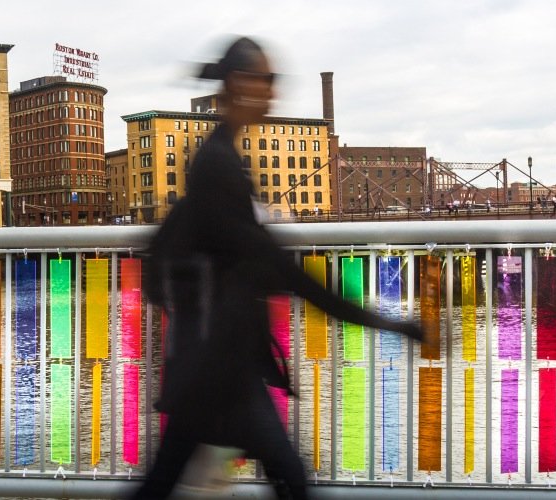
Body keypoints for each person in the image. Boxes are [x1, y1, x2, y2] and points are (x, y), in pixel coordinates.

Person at [136, 37, 424, 500]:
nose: (272, 91)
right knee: (288, 479)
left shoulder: (220, 158)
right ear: (239, 83)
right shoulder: (217, 167)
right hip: (220, 375)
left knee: (176, 482)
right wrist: (387, 323)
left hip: (223, 368)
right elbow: (284, 272)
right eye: (266, 79)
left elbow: (227, 259)